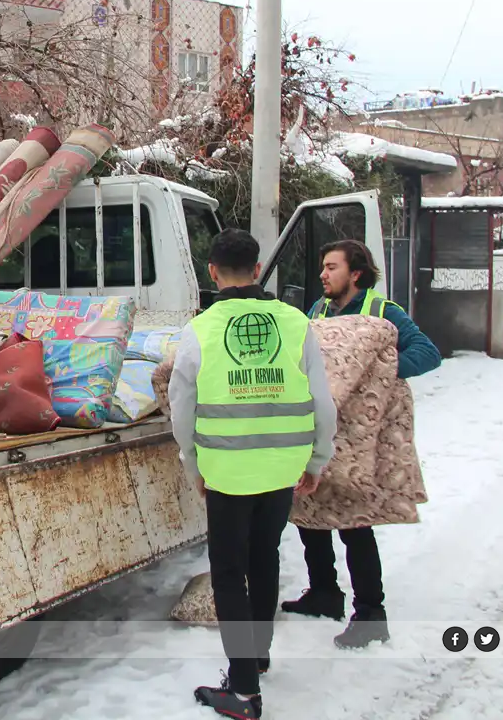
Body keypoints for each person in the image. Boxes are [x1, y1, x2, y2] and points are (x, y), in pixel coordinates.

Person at [169, 228, 338, 720]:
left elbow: (183, 407)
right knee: (265, 559)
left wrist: (192, 462)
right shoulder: (294, 322)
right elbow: (322, 402)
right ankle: (257, 655)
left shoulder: (199, 329)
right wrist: (316, 460)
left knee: (229, 571)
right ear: (259, 270)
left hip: (227, 470)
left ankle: (242, 690)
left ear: (213, 273)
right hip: (282, 467)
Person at [281, 238, 441, 649]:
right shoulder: (316, 312)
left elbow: (428, 352)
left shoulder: (383, 312)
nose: (323, 274)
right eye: (323, 267)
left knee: (355, 521)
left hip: (360, 439)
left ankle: (371, 613)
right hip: (323, 427)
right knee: (309, 508)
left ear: (355, 273)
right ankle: (324, 593)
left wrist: (377, 375)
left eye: (331, 267)